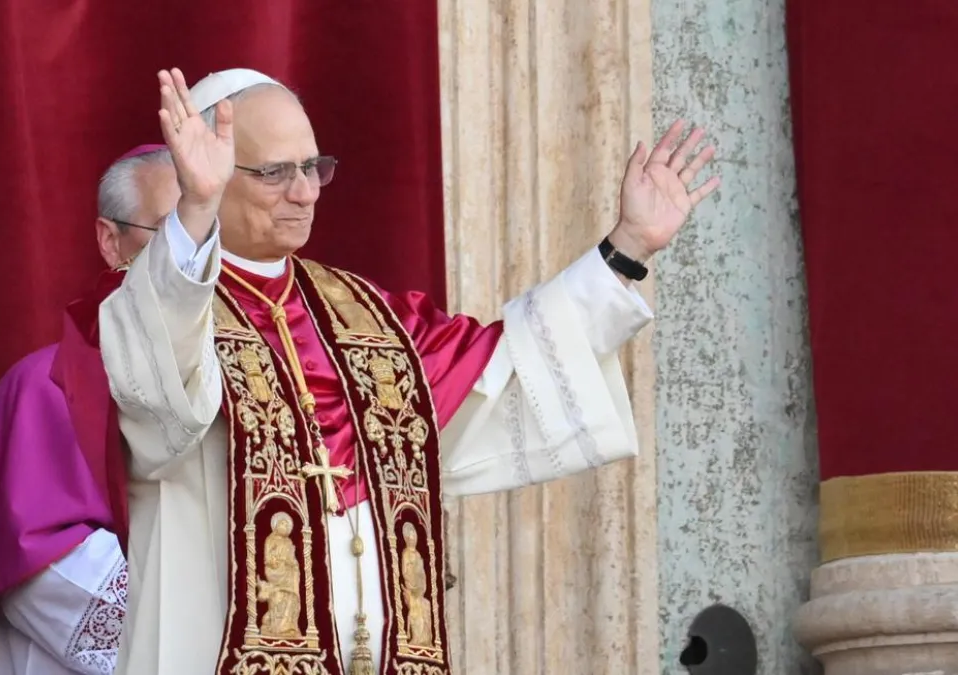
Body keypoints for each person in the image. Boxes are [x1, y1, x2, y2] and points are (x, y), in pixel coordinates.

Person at [100, 67, 720, 675]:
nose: (306, 191)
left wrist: (629, 247)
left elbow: (509, 365)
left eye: (314, 168)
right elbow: (157, 403)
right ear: (208, 172)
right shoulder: (165, 301)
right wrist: (196, 211)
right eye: (274, 173)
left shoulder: (369, 318)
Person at [0, 145, 183, 674]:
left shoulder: (264, 377)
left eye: (212, 234)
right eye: (172, 230)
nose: (196, 257)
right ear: (110, 240)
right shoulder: (49, 386)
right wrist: (210, 630)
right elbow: (45, 568)